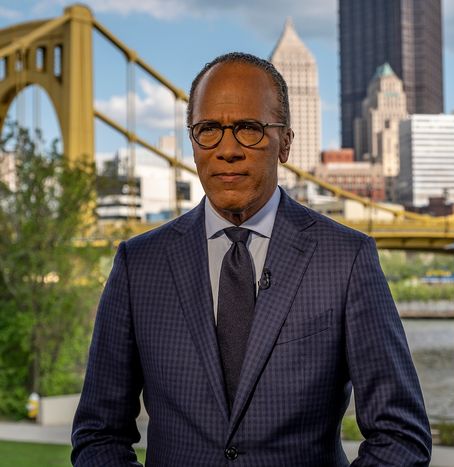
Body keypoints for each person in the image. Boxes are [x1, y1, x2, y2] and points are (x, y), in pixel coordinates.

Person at [71, 52, 431, 466]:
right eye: (208, 130)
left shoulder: (346, 259)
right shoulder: (139, 264)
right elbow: (99, 434)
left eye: (249, 129)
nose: (227, 149)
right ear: (192, 143)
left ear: (286, 143)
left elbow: (401, 435)